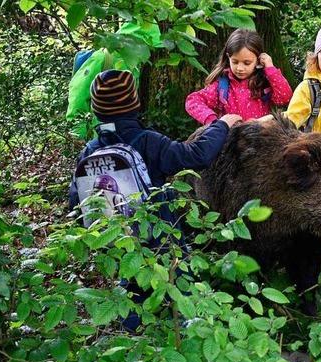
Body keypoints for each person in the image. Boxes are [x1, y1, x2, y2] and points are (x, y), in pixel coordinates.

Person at [69, 69, 242, 330]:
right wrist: (222, 125)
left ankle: (131, 333)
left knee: (132, 284)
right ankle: (191, 331)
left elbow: (76, 202)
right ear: (134, 104)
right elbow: (195, 155)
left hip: (118, 238)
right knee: (181, 279)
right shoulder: (147, 141)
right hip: (160, 235)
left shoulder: (90, 151)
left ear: (96, 109)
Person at [66, 22, 163, 139]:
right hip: (98, 136)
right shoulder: (103, 57)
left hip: (121, 136)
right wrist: (78, 136)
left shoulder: (134, 64)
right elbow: (78, 95)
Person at [185, 29, 293, 125]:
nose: (240, 68)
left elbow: (285, 98)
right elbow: (193, 101)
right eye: (235, 62)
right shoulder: (222, 85)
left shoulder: (264, 82)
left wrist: (270, 68)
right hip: (231, 142)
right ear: (228, 57)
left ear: (258, 60)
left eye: (247, 63)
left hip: (260, 141)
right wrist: (214, 122)